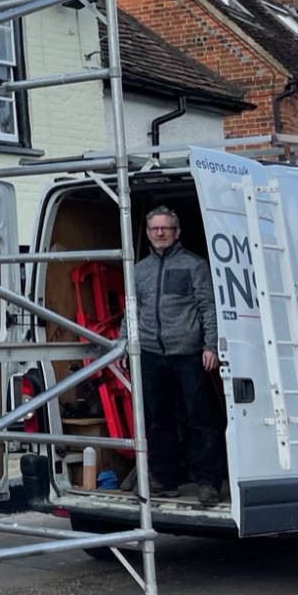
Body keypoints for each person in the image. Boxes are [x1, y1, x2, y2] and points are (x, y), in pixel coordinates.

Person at [129, 205, 223, 505]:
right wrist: (124, 344)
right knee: (159, 421)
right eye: (154, 229)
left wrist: (211, 346)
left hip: (189, 354)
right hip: (152, 353)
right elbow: (133, 310)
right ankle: (165, 480)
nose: (159, 233)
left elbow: (208, 307)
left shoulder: (194, 265)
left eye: (165, 228)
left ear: (176, 232)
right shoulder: (139, 270)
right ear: (147, 232)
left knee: (201, 419)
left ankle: (208, 482)